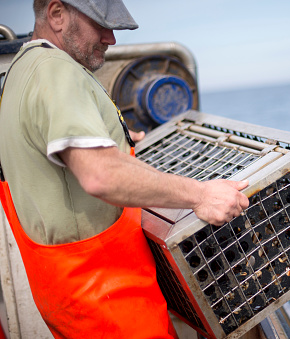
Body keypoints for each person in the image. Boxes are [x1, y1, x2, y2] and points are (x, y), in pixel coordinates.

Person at [0, 0, 249, 338]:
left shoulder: (19, 72)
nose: (111, 38)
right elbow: (101, 174)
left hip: (67, 291)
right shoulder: (55, 70)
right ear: (57, 15)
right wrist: (201, 194)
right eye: (100, 24)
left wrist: (113, 137)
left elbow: (43, 149)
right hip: (108, 297)